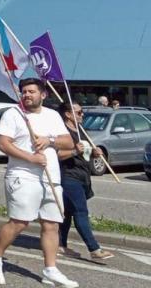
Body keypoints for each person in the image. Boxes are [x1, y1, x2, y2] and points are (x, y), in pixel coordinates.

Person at [0, 78, 77, 287]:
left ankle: (50, 269)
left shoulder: (52, 115)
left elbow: (68, 141)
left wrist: (49, 140)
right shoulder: (13, 114)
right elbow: (3, 144)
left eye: (31, 91)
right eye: (24, 92)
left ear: (43, 94)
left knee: (51, 224)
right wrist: (30, 158)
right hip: (23, 175)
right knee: (19, 222)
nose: (27, 95)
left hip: (51, 177)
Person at [56, 102, 113, 261]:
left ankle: (60, 245)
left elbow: (85, 152)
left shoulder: (80, 129)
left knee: (67, 213)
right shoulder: (62, 132)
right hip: (69, 176)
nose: (83, 115)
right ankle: (94, 248)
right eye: (79, 112)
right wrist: (74, 151)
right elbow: (57, 154)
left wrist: (94, 153)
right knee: (80, 211)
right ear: (68, 114)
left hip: (83, 176)